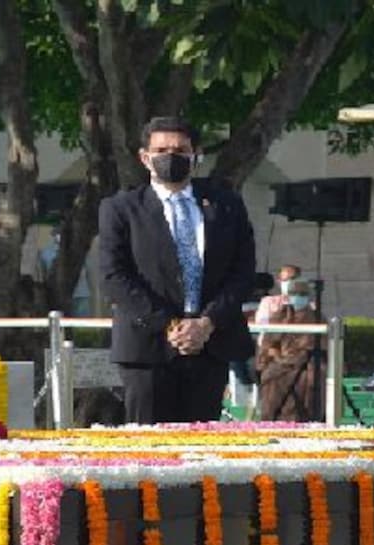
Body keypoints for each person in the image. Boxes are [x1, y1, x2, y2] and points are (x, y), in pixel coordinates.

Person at [98, 116, 255, 423]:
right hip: (148, 349)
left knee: (202, 455)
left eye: (181, 150)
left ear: (196, 156)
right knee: (150, 455)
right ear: (145, 158)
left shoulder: (226, 205)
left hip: (211, 345)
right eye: (161, 150)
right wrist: (170, 326)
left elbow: (243, 271)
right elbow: (113, 275)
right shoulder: (121, 208)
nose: (171, 157)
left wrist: (206, 324)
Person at [256, 279, 324, 421]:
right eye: (294, 293)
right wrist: (275, 354)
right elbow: (269, 343)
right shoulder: (279, 316)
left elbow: (315, 346)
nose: (298, 297)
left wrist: (294, 359)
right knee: (269, 375)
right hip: (279, 361)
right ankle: (272, 419)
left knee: (307, 379)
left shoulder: (317, 318)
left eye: (302, 294)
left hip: (305, 362)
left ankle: (303, 419)